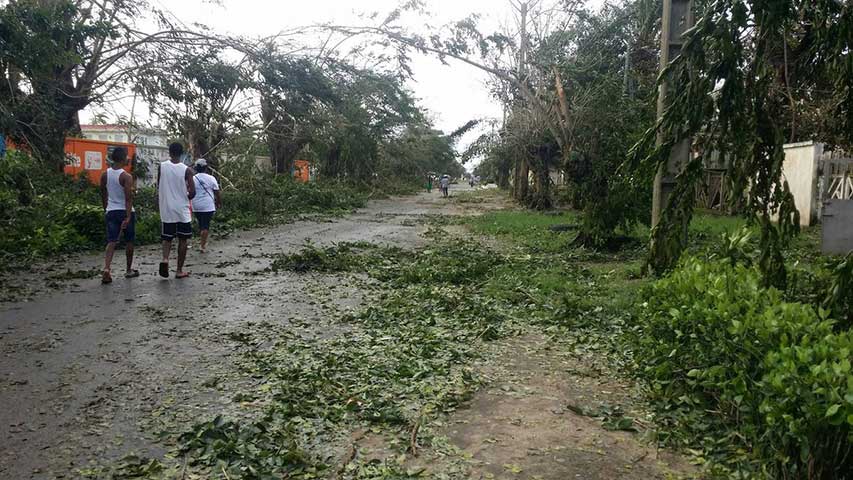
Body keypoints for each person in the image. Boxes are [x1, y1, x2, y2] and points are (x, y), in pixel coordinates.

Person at [99, 147, 138, 284]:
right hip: (125, 211)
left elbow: (103, 192)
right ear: (122, 159)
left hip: (111, 211)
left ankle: (107, 268)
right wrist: (127, 217)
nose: (128, 158)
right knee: (129, 241)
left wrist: (106, 208)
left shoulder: (105, 175)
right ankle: (128, 269)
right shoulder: (126, 176)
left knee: (111, 241)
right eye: (127, 156)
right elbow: (128, 198)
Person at [157, 142, 196, 279]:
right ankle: (179, 270)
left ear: (169, 152)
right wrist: (185, 194)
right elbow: (192, 192)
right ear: (182, 153)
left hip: (166, 208)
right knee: (183, 239)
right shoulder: (187, 170)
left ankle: (165, 259)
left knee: (167, 238)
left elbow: (159, 185)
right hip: (182, 209)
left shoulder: (161, 167)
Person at [191, 158, 221, 253]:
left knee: (201, 224)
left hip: (196, 206)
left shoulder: (193, 178)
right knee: (205, 226)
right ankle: (202, 246)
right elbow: (217, 192)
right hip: (208, 206)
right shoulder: (211, 178)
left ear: (196, 168)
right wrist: (219, 202)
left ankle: (202, 241)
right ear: (206, 167)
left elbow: (189, 190)